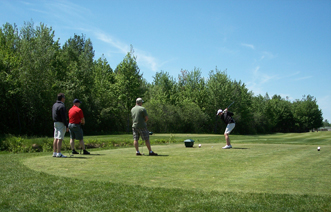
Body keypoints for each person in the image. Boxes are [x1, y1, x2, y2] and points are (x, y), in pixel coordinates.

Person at [52, 93, 69, 158]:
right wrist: (66, 125)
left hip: (55, 122)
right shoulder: (62, 106)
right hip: (61, 123)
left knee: (55, 137)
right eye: (64, 98)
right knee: (60, 138)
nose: (64, 99)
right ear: (62, 98)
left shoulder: (54, 105)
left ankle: (54, 152)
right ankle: (58, 153)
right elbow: (64, 117)